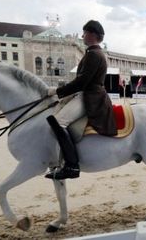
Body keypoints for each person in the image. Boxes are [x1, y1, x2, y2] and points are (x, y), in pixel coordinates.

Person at [45, 20, 118, 180]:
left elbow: (81, 82)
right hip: (87, 93)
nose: (82, 35)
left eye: (84, 33)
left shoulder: (94, 54)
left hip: (91, 97)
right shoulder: (94, 53)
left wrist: (58, 91)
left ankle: (71, 166)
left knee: (58, 122)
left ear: (91, 34)